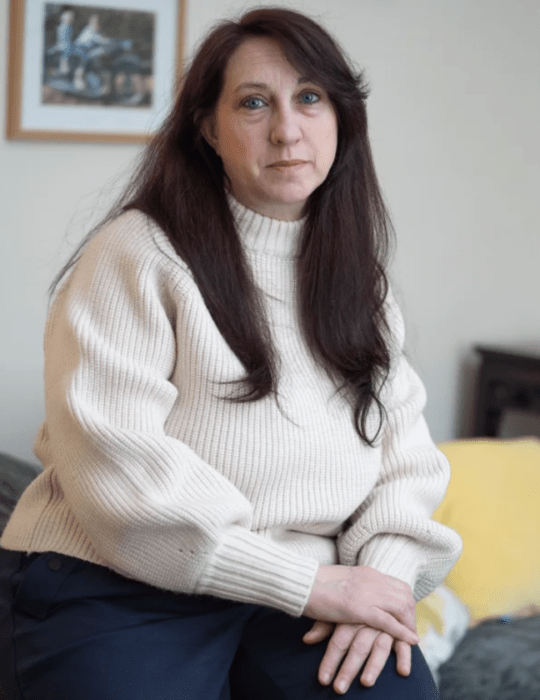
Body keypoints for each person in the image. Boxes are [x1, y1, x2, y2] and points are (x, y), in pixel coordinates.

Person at [0, 7, 462, 699]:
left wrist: (384, 584)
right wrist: (314, 583)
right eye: (254, 103)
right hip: (122, 580)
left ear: (341, 119)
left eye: (310, 98)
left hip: (302, 594)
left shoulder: (358, 281)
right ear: (209, 129)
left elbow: (407, 464)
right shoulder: (135, 253)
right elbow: (118, 472)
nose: (287, 129)